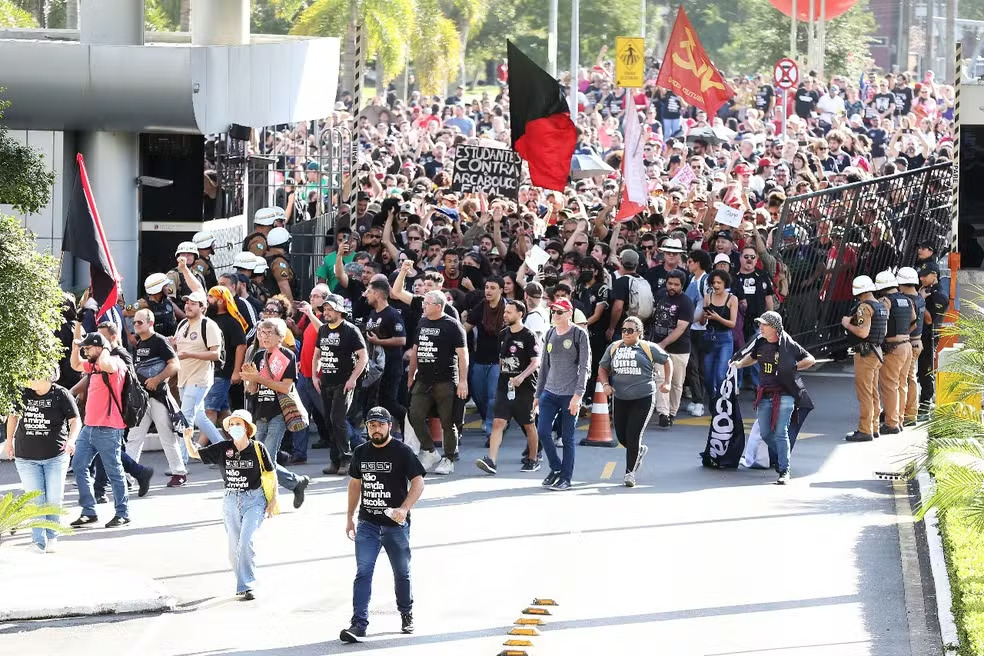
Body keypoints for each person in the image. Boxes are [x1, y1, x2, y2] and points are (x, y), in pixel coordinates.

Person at [341, 406, 425, 643]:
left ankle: (406, 612)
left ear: (390, 426)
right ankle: (358, 624)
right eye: (371, 425)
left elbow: (418, 482)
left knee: (402, 572)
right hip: (367, 524)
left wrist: (404, 509)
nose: (375, 429)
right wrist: (349, 516)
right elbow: (355, 485)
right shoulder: (360, 452)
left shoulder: (402, 452)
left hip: (395, 526)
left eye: (380, 424)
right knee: (363, 572)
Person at [183, 410, 277, 600]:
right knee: (234, 546)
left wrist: (273, 499)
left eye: (238, 424)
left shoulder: (258, 448)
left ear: (247, 428)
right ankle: (242, 581)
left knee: (246, 540)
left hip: (255, 499)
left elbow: (271, 472)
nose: (234, 428)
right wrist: (187, 438)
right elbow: (194, 453)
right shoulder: (222, 448)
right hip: (231, 500)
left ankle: (247, 584)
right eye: (231, 424)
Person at [732, 311, 816, 484]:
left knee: (780, 432)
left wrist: (793, 367)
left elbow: (810, 359)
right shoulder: (761, 342)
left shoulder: (787, 344)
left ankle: (784, 470)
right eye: (760, 324)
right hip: (764, 393)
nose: (760, 327)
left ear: (774, 328)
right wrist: (740, 364)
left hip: (784, 393)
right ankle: (781, 457)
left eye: (764, 325)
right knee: (765, 433)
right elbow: (752, 357)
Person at [5, 369, 80, 552]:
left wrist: (71, 440)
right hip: (26, 457)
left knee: (53, 498)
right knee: (36, 500)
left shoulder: (60, 394)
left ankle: (52, 536)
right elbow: (13, 417)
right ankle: (38, 542)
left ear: (46, 377)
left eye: (33, 375)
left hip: (56, 456)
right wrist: (9, 442)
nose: (29, 379)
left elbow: (75, 420)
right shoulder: (22, 393)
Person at [242, 318, 311, 508]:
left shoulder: (287, 356)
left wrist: (257, 378)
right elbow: (253, 390)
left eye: (268, 333)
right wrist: (250, 379)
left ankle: (267, 501)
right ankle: (296, 482)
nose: (263, 337)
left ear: (280, 336)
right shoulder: (258, 356)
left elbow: (285, 387)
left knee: (266, 459)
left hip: (278, 413)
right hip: (260, 412)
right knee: (259, 458)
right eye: (261, 333)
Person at [598, 316, 672, 487]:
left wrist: (667, 382)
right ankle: (638, 450)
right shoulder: (614, 347)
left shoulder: (647, 348)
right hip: (621, 398)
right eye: (623, 330)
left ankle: (629, 473)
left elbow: (667, 360)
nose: (626, 333)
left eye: (630, 330)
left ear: (639, 332)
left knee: (633, 435)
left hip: (643, 397)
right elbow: (603, 367)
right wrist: (605, 384)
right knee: (622, 437)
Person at [68, 330, 132, 528]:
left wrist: (104, 347)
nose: (85, 351)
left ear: (99, 347)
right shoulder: (94, 365)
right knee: (79, 465)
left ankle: (123, 513)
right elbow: (75, 364)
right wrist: (76, 347)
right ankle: (89, 511)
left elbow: (107, 364)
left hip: (109, 428)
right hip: (89, 427)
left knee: (114, 472)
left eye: (88, 348)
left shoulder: (114, 363)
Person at [475, 300, 541, 475]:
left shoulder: (529, 335)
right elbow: (501, 358)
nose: (505, 315)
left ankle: (533, 459)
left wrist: (521, 377)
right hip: (505, 385)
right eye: (505, 312)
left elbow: (536, 362)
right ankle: (492, 461)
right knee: (498, 422)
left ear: (520, 314)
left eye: (509, 312)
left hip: (525, 386)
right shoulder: (503, 334)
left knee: (528, 424)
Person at [407, 291, 469, 475]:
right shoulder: (422, 321)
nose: (423, 306)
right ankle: (430, 451)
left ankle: (449, 458)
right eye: (424, 302)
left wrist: (463, 381)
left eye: (427, 303)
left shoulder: (453, 326)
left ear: (438, 306)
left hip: (446, 381)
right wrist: (411, 376)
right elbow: (416, 350)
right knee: (414, 415)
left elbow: (462, 355)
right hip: (423, 379)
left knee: (448, 422)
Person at [127, 308, 188, 486]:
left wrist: (157, 379)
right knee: (134, 436)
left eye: (140, 322)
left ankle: (179, 473)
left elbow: (175, 364)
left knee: (166, 435)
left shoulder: (160, 341)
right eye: (134, 322)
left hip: (159, 396)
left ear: (150, 323)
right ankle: (129, 474)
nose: (136, 325)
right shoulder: (138, 343)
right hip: (141, 399)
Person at [536, 298, 591, 492]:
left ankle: (566, 478)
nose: (555, 315)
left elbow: (585, 367)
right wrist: (537, 395)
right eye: (553, 312)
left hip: (569, 394)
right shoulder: (550, 333)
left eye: (559, 312)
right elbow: (544, 366)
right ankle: (556, 468)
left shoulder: (579, 334)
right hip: (549, 392)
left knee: (567, 438)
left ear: (569, 313)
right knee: (542, 431)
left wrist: (578, 396)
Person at [313, 294, 369, 476]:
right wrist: (315, 375)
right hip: (326, 381)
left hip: (343, 382)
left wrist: (353, 379)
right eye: (325, 309)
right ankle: (334, 460)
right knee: (329, 421)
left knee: (338, 419)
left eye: (330, 309)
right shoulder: (323, 330)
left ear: (339, 311)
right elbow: (317, 355)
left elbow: (363, 356)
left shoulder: (350, 330)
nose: (326, 313)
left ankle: (347, 458)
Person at [173, 291, 226, 451]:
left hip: (199, 378)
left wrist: (189, 354)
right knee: (199, 417)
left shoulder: (209, 325)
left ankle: (181, 462)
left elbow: (215, 354)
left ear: (203, 307)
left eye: (193, 303)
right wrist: (173, 345)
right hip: (183, 376)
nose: (187, 306)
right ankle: (223, 449)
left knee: (186, 417)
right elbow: (178, 348)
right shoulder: (182, 324)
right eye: (187, 302)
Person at [842, 275, 887, 442]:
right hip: (877, 352)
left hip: (866, 354)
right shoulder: (881, 306)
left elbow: (862, 332)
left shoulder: (864, 307)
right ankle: (874, 427)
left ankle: (865, 430)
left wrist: (847, 324)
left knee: (865, 394)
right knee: (873, 392)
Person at [463, 276, 506, 440]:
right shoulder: (481, 307)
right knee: (479, 396)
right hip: (479, 359)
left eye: (493, 288)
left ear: (501, 290)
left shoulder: (508, 308)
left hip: (499, 360)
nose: (488, 290)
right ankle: (491, 421)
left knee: (493, 398)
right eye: (487, 287)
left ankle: (492, 431)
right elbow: (465, 329)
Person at [650, 270, 694, 427]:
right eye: (670, 283)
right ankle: (663, 413)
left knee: (676, 383)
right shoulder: (660, 295)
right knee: (660, 379)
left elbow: (681, 328)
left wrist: (663, 344)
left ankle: (672, 412)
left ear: (682, 285)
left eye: (676, 284)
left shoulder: (686, 302)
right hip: (659, 347)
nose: (672, 287)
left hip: (680, 349)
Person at [873, 270, 915, 435]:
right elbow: (913, 321)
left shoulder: (885, 301)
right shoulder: (907, 300)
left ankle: (891, 424)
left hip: (893, 348)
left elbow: (882, 323)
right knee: (902, 384)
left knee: (889, 386)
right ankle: (899, 419)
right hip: (907, 346)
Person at [204, 286, 248, 430]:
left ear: (221, 300)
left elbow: (241, 345)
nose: (207, 300)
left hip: (223, 372)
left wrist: (236, 371)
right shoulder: (208, 319)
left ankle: (200, 448)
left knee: (210, 411)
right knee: (224, 413)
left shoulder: (232, 321)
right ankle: (240, 444)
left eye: (211, 297)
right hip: (207, 371)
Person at [697, 270, 739, 402]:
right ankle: (713, 398)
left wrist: (717, 317)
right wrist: (704, 315)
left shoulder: (732, 299)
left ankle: (720, 402)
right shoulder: (708, 296)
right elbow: (703, 322)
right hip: (710, 337)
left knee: (721, 374)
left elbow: (732, 324)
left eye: (719, 282)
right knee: (708, 376)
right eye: (713, 282)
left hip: (725, 338)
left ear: (725, 283)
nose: (716, 285)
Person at [917, 261, 948, 418]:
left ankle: (924, 406)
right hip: (919, 335)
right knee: (918, 373)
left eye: (925, 275)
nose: (921, 278)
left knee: (926, 372)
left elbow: (929, 320)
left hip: (929, 338)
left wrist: (920, 301)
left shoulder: (939, 295)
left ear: (934, 275)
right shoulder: (925, 289)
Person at [896, 267, 925, 426]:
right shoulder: (920, 298)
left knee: (903, 380)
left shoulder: (908, 300)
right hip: (917, 342)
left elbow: (911, 324)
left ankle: (903, 414)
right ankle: (910, 413)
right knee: (910, 378)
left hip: (909, 342)